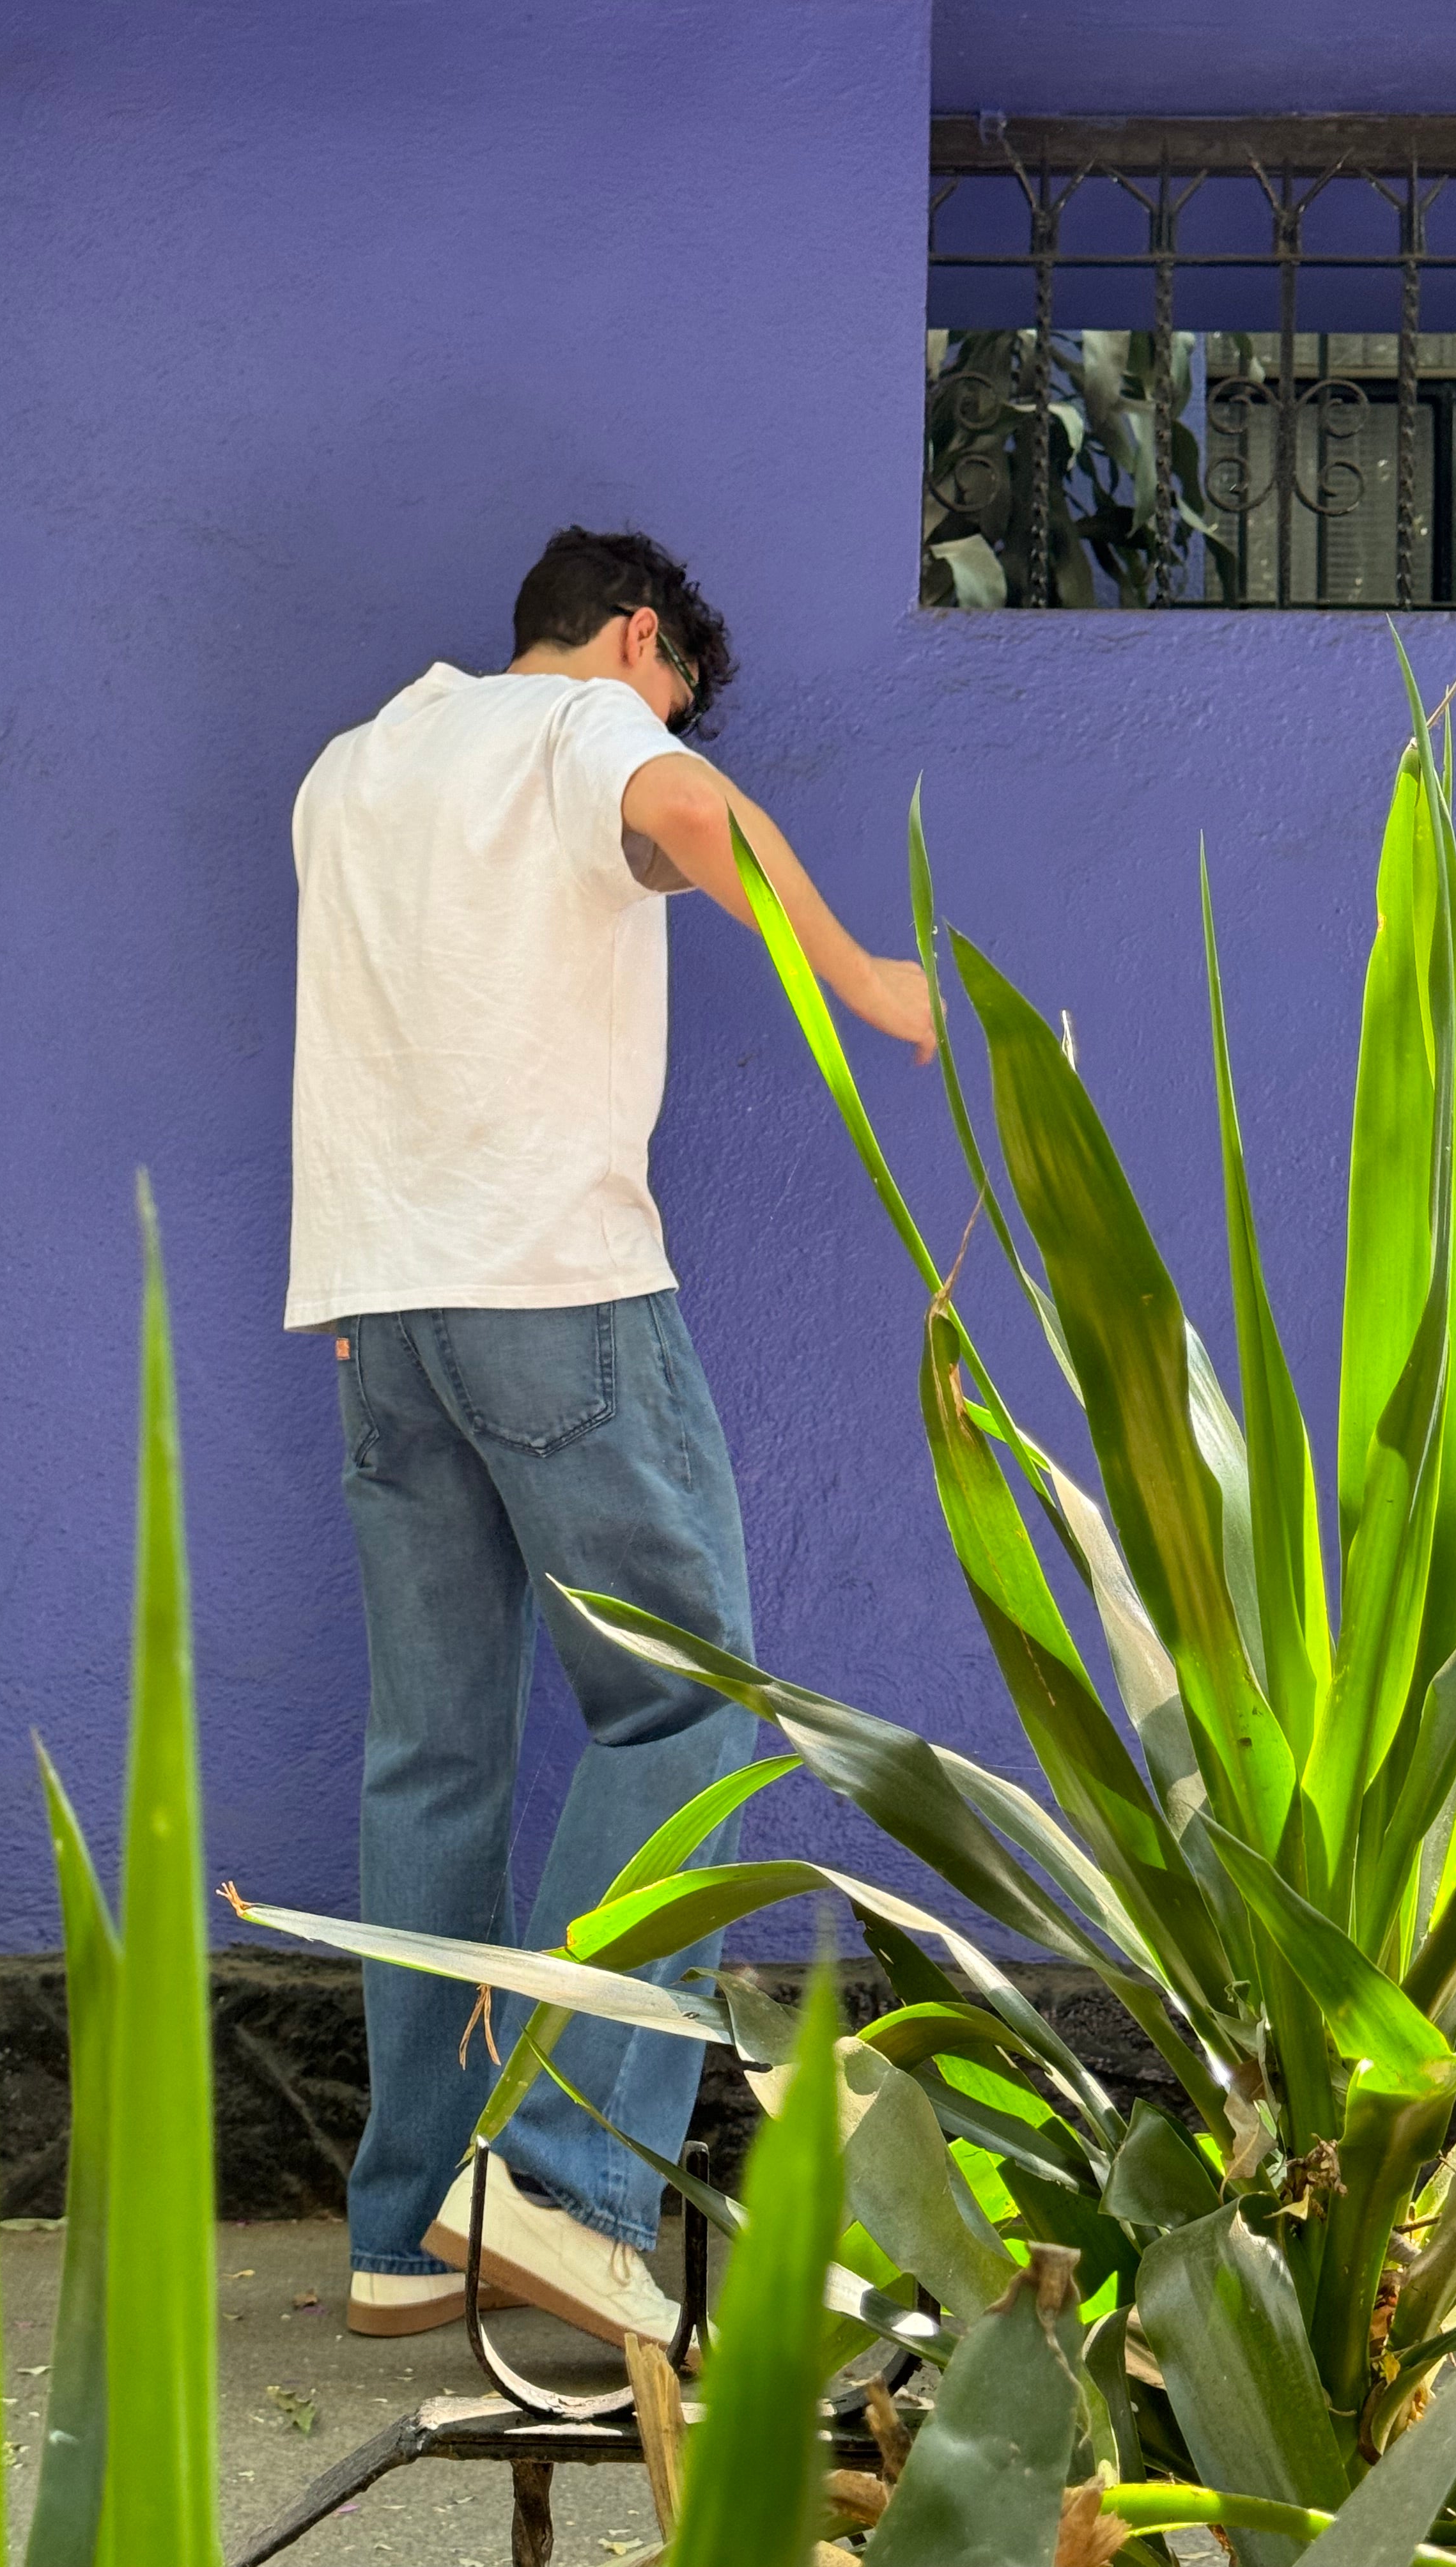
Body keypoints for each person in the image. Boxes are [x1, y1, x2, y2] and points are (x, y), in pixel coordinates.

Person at [286, 525, 933, 2348]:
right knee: (688, 1701)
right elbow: (699, 817)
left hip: (379, 1304)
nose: (671, 724)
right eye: (678, 688)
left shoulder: (355, 768)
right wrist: (869, 983)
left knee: (431, 1756)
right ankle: (566, 2178)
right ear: (635, 638)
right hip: (553, 1286)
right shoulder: (578, 733)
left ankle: (405, 2231)